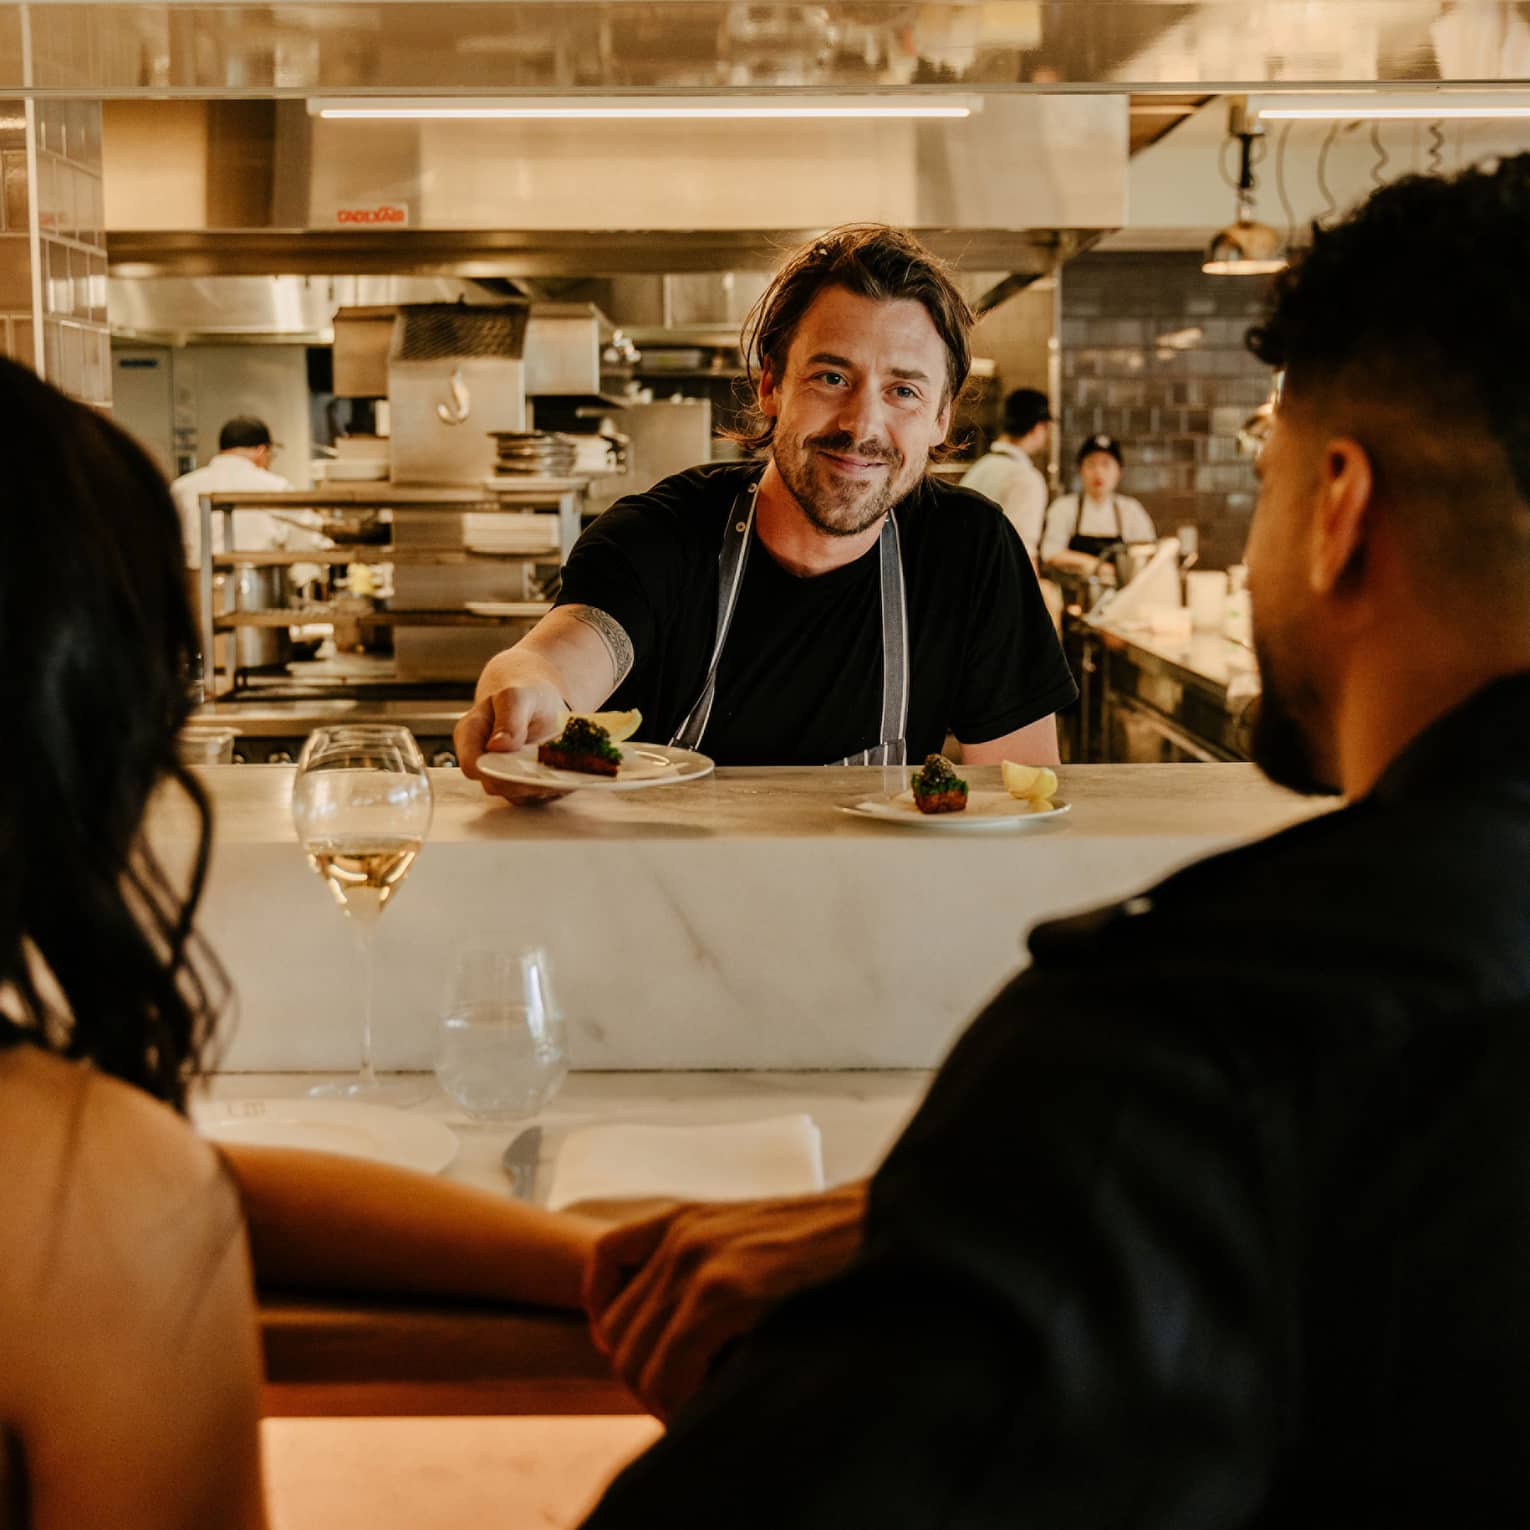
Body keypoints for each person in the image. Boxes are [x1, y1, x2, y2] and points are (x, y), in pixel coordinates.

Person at [576, 156, 1530, 1524]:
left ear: (1335, 510)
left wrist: (991, 1206)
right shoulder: (1248, 1087)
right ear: (769, 392)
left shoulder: (1173, 1044)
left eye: (1255, 476)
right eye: (831, 378)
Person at [0, 356, 599, 1529]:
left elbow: (208, 1186)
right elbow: (149, 1195)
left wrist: (598, 1261)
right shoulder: (82, 1193)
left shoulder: (99, 1178)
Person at [455, 226, 1076, 790]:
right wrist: (524, 688)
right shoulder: (660, 536)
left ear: (941, 417)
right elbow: (559, 658)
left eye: (904, 391)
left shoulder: (968, 551)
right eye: (831, 378)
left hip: (875, 907)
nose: (863, 425)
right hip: (661, 904)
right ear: (771, 385)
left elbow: (1019, 797)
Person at [169, 415, 317, 570]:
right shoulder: (274, 487)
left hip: (193, 586)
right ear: (261, 450)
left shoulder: (181, 488)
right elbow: (309, 536)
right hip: (258, 586)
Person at [959, 387, 1053, 558]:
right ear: (1039, 427)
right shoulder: (1027, 479)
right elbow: (1023, 552)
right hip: (995, 581)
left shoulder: (980, 468)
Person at [1039, 432, 1157, 568]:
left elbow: (1149, 554)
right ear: (1080, 470)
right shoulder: (1063, 508)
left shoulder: (1131, 510)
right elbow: (1050, 553)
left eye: (1106, 464)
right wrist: (1098, 567)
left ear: (1119, 472)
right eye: (1091, 464)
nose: (1098, 472)